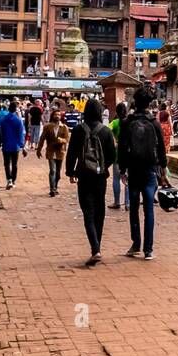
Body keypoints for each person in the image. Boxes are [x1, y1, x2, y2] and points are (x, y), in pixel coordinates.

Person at [66, 99, 117, 265]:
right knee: (100, 211)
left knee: (88, 211)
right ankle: (98, 247)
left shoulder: (79, 130)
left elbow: (72, 152)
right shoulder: (106, 131)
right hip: (100, 177)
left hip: (83, 175)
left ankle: (95, 249)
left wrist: (70, 172)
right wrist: (102, 166)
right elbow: (111, 155)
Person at [119, 87, 167, 260]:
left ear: (135, 102)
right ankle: (149, 249)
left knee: (134, 208)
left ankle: (136, 244)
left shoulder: (127, 122)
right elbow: (161, 147)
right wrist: (163, 168)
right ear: (149, 103)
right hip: (150, 170)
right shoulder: (154, 123)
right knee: (149, 209)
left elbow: (122, 148)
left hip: (133, 170)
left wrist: (122, 170)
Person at [38, 108, 69, 196]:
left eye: (59, 115)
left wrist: (61, 140)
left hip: (60, 152)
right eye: (55, 114)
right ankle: (52, 189)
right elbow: (42, 138)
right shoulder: (47, 127)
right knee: (52, 170)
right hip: (51, 151)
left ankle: (55, 186)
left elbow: (67, 139)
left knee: (58, 173)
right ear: (52, 116)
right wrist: (39, 149)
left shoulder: (64, 127)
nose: (57, 116)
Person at [0, 102, 25, 190]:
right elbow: (21, 134)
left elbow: (0, 132)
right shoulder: (18, 120)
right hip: (15, 146)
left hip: (6, 144)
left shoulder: (3, 119)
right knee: (14, 164)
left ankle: (9, 179)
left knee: (6, 164)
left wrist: (1, 142)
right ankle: (13, 180)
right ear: (15, 109)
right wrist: (22, 146)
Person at [109, 101, 128, 208]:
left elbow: (107, 129)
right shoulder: (130, 122)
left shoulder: (115, 122)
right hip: (128, 155)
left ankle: (117, 202)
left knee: (116, 179)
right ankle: (128, 203)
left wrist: (114, 140)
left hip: (117, 154)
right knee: (127, 179)